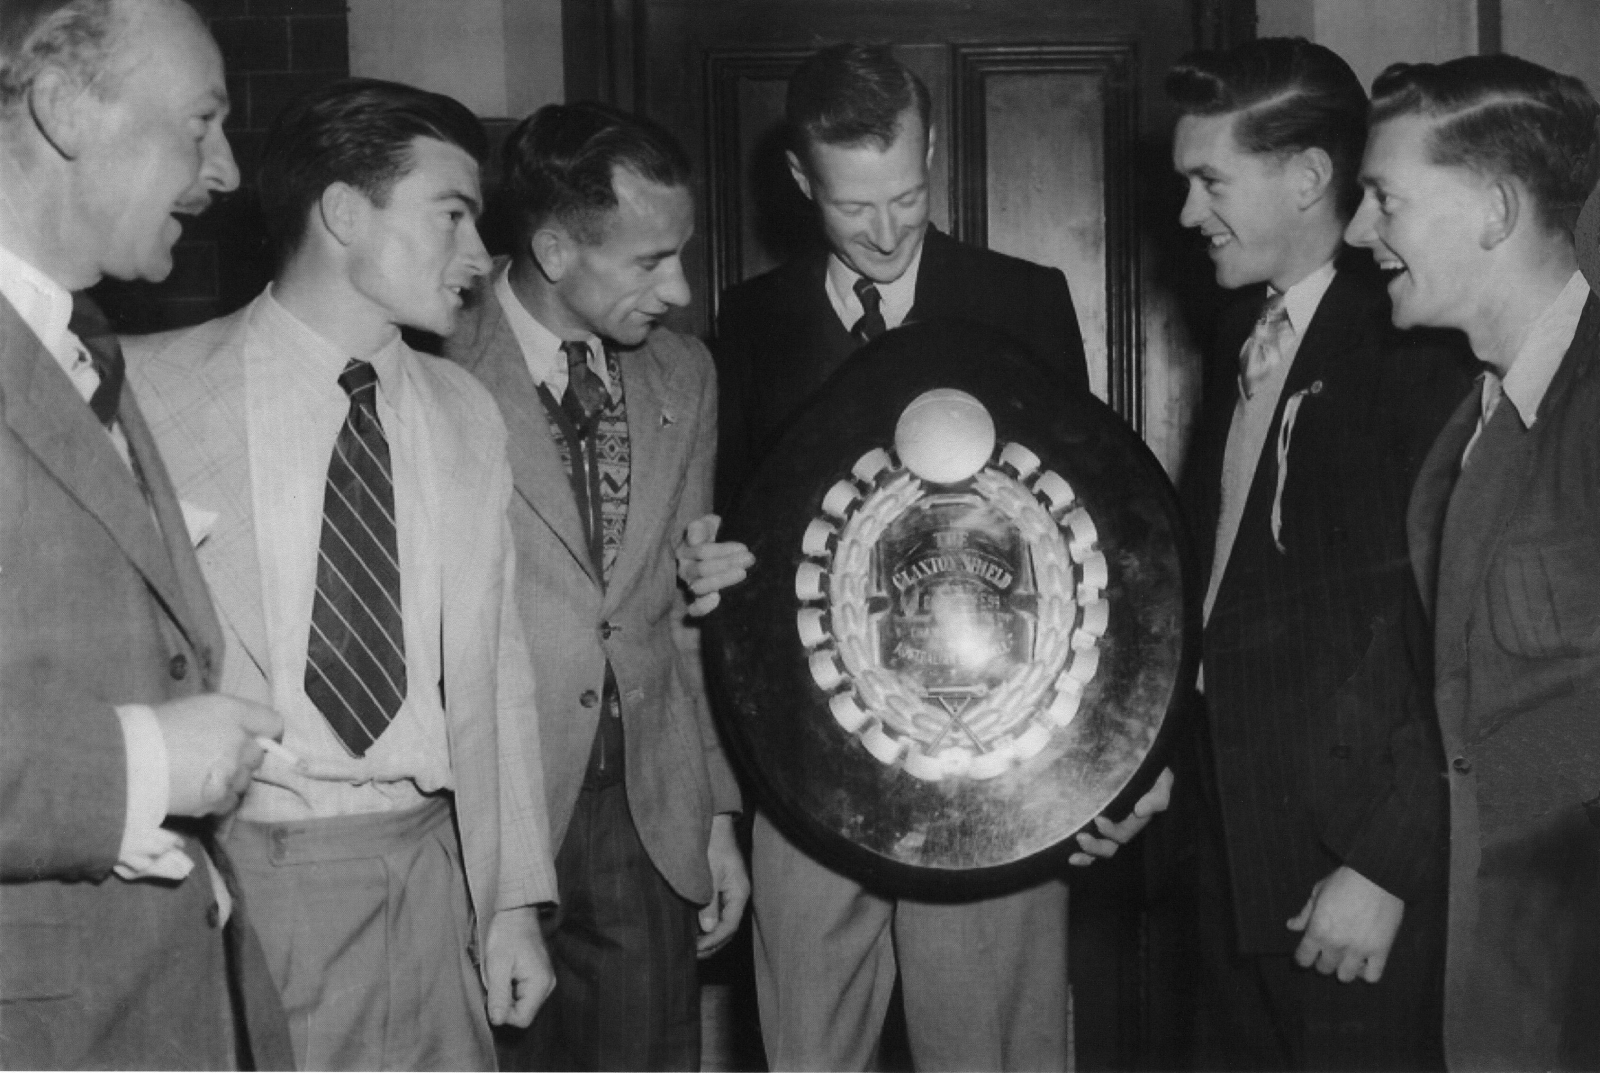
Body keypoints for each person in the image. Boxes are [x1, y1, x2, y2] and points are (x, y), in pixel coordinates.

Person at [695, 43, 1167, 1072]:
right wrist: (714, 564)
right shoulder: (754, 319)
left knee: (990, 1053)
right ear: (798, 180)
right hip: (804, 773)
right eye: (851, 206)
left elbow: (1080, 548)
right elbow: (737, 528)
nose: (884, 229)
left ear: (934, 153)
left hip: (987, 786)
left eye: (905, 196)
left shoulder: (1026, 300)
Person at [126, 78, 557, 1071]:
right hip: (248, 876)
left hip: (432, 865)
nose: (476, 258)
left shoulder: (466, 413)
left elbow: (501, 672)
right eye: (451, 214)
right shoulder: (150, 393)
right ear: (344, 213)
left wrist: (512, 901)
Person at [1164, 36, 1478, 1071]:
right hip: (1231, 842)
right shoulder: (1238, 329)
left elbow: (1451, 639)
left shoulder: (1413, 342)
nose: (1185, 214)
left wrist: (1384, 864)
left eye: (1209, 181)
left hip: (1349, 868)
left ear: (1305, 178)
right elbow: (1232, 591)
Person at [0, 0, 293, 1067]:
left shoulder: (78, 343)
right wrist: (136, 761)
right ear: (67, 108)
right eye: (199, 123)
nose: (222, 172)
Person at [443, 101, 748, 1072]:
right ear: (554, 247)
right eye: (649, 262)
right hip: (484, 813)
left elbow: (684, 617)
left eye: (682, 253)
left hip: (641, 818)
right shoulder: (430, 356)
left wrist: (714, 817)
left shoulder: (684, 375)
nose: (682, 288)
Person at [1344, 53, 1600, 1071]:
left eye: (1384, 199)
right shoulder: (1468, 426)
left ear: (1494, 209)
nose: (1361, 232)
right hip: (1498, 1001)